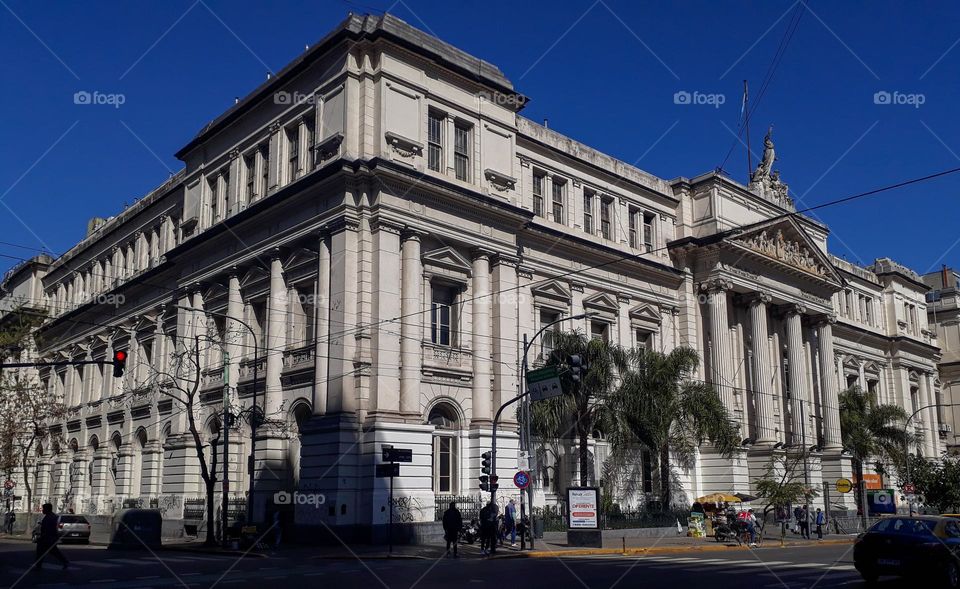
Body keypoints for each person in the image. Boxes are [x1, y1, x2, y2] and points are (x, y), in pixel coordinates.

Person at [33, 503, 69, 571]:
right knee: (51, 551)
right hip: (48, 538)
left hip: (48, 538)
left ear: (47, 509)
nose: (42, 510)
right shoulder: (50, 516)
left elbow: (49, 528)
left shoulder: (51, 517)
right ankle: (64, 561)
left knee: (46, 551)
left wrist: (43, 537)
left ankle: (64, 561)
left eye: (43, 509)